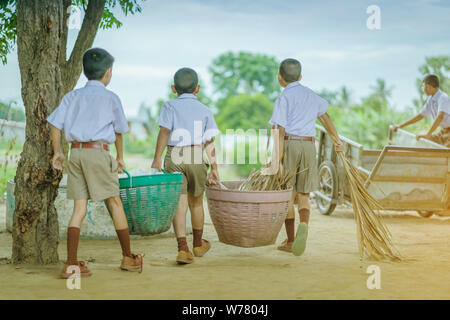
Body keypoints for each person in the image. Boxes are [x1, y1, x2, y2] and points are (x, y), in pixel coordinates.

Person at [47, 48, 143, 278]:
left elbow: (54, 124)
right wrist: (119, 157)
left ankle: (71, 264)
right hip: (99, 153)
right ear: (108, 72)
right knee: (115, 203)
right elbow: (120, 131)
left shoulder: (72, 96)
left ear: (84, 71)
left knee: (79, 208)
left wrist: (57, 152)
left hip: (76, 155)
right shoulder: (111, 98)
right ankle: (128, 257)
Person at [267, 58, 343, 256]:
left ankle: (291, 240)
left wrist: (277, 158)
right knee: (304, 194)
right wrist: (337, 140)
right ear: (300, 77)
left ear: (280, 78)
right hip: (309, 145)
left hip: (290, 143)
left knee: (288, 192)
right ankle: (305, 228)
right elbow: (325, 117)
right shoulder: (311, 95)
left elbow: (280, 129)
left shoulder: (284, 98)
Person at [151, 67, 220, 264]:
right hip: (196, 154)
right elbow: (209, 141)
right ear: (197, 89)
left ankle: (183, 249)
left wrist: (157, 158)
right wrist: (214, 168)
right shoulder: (206, 110)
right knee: (196, 202)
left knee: (179, 204)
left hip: (175, 154)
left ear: (174, 88)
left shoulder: (169, 106)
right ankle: (198, 245)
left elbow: (164, 132)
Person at [392, 74, 450, 147]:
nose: (423, 89)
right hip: (442, 132)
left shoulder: (443, 97)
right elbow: (420, 116)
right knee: (424, 142)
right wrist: (400, 126)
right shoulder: (431, 100)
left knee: (445, 154)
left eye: (423, 86)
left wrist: (428, 134)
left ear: (428, 86)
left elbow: (440, 117)